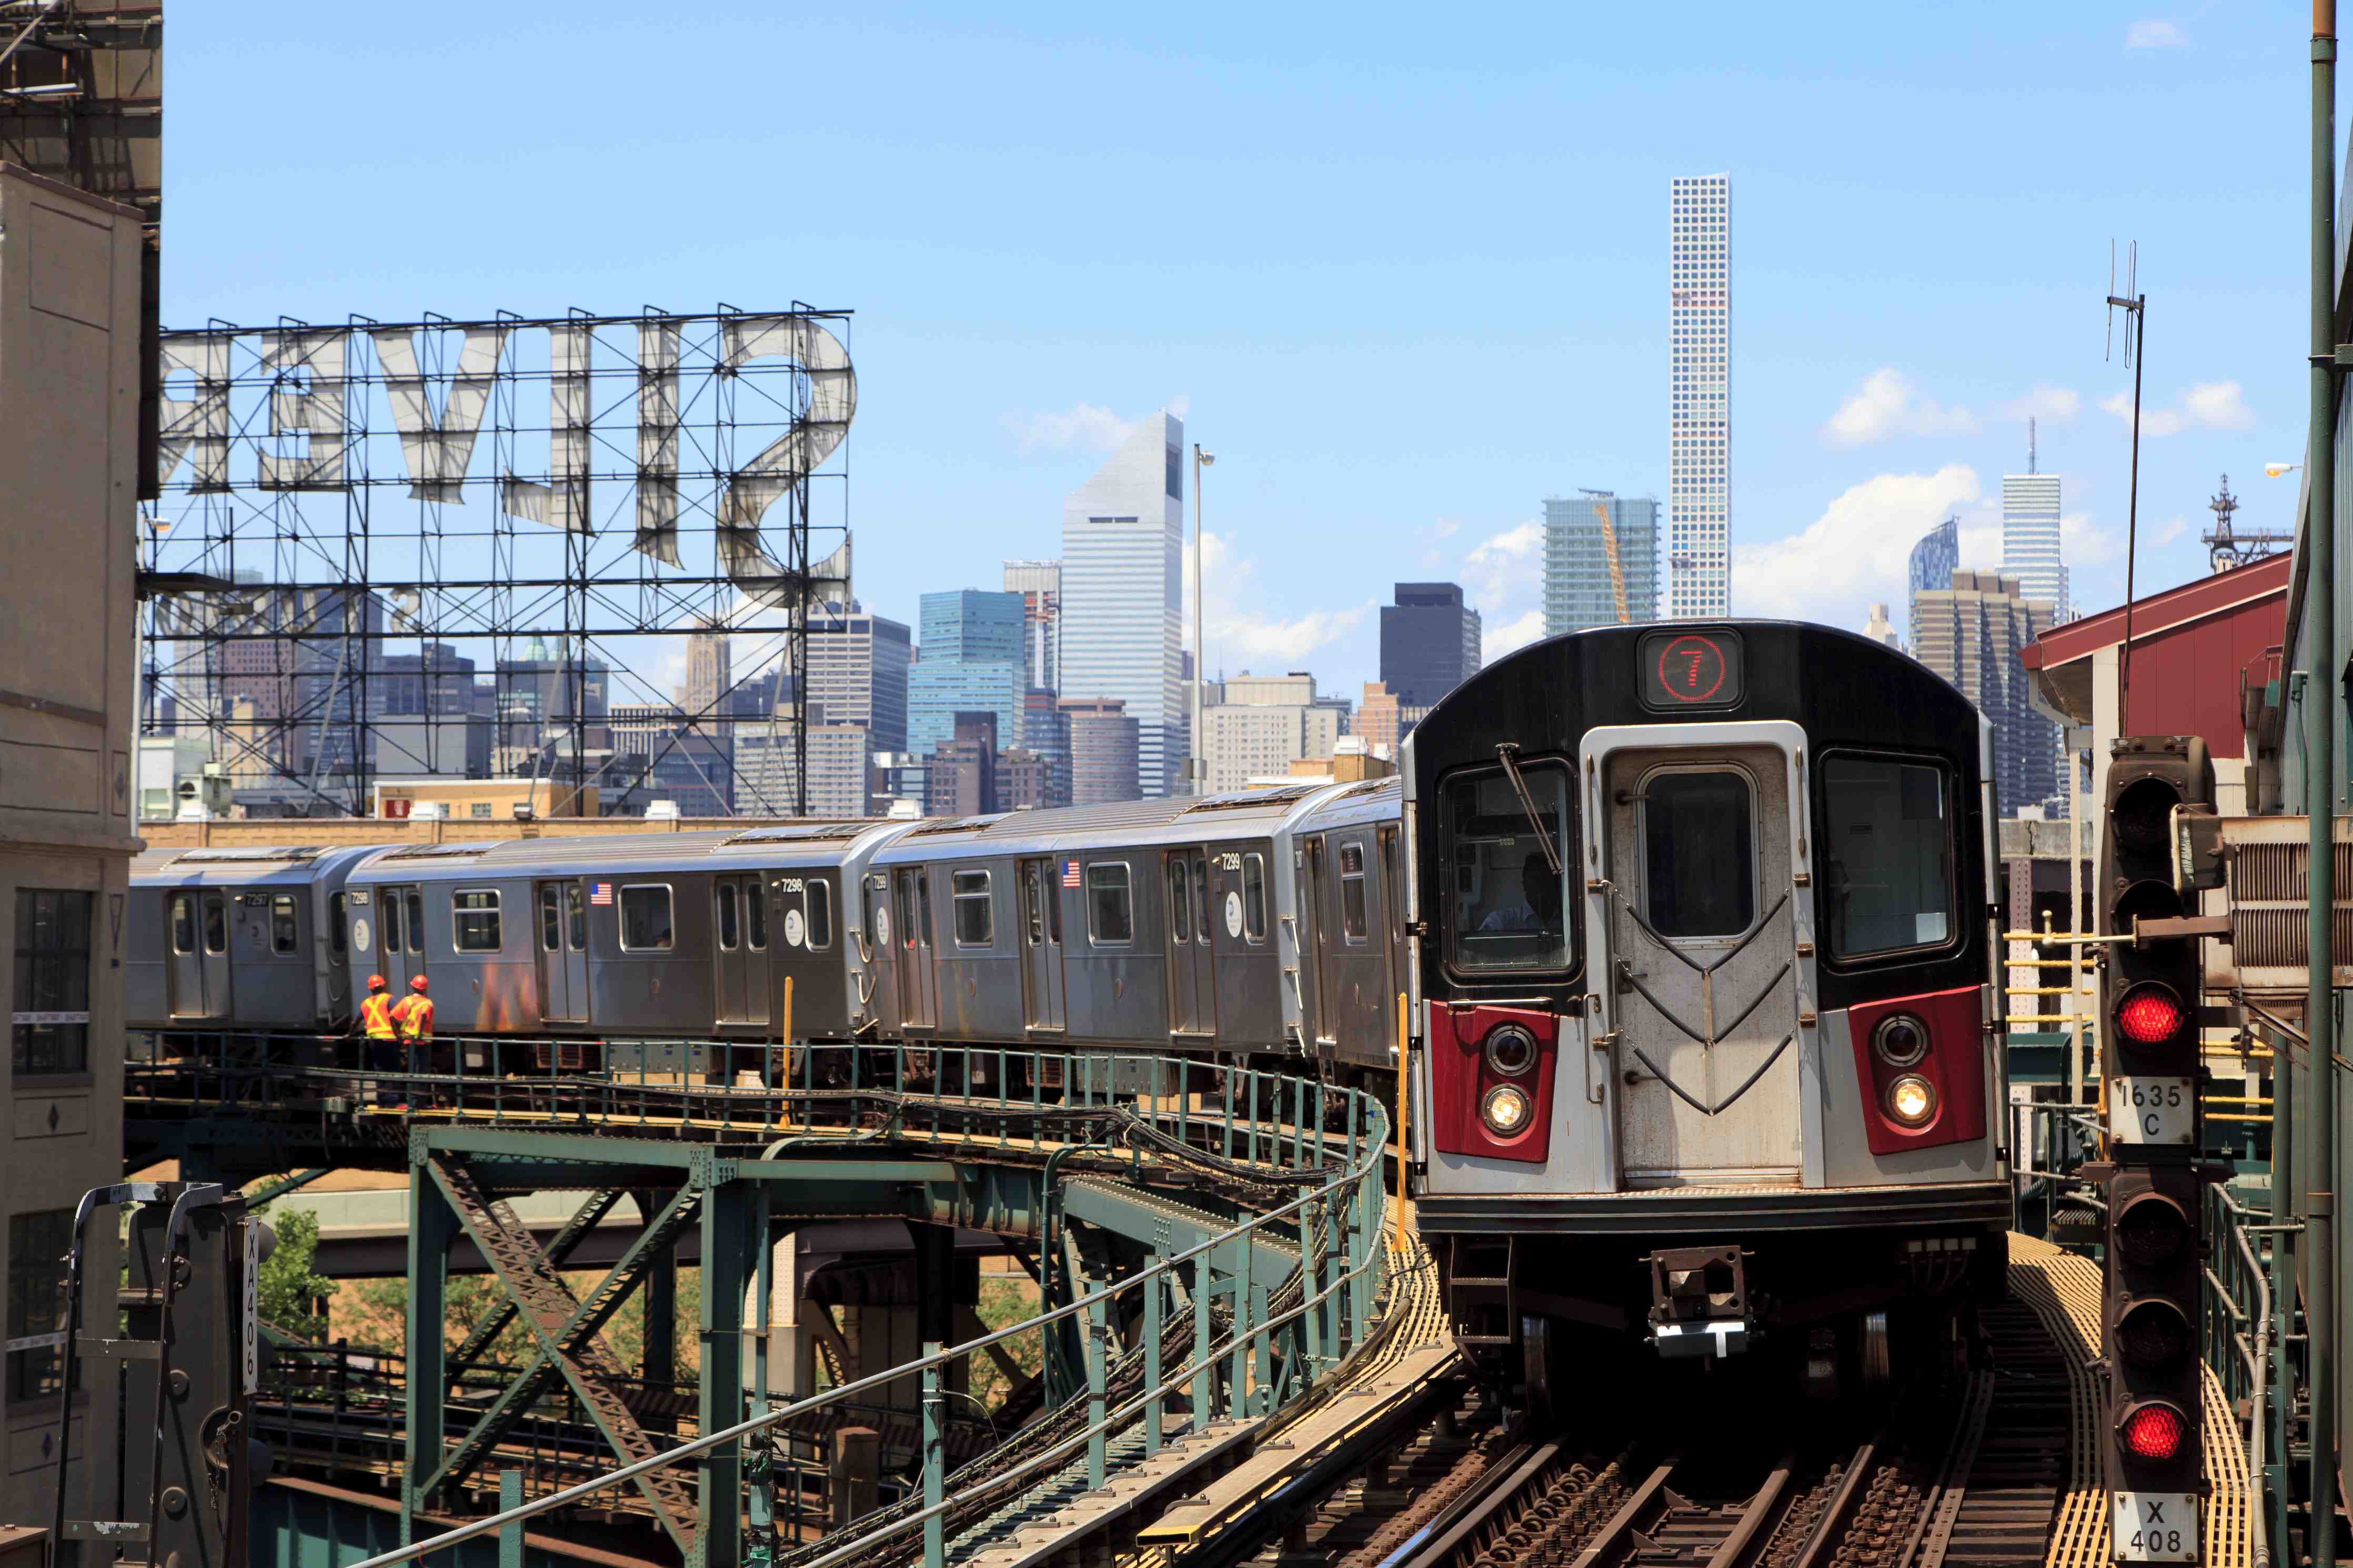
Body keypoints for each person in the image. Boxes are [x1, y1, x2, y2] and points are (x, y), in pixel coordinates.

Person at [1480, 852, 1562, 933]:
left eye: (1546, 879)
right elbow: (1480, 944)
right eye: (1535, 880)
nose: (1541, 886)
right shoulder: (1501, 921)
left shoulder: (1569, 921)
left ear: (1556, 884)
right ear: (1525, 885)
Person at [357, 975, 400, 1108]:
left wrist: (349, 1034)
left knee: (380, 1069)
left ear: (370, 989)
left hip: (374, 1041)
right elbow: (396, 1017)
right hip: (389, 1039)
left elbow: (356, 1021)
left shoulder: (366, 1003)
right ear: (383, 986)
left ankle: (382, 1101)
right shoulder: (389, 999)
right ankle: (392, 1101)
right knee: (392, 1069)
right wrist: (400, 1033)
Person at [390, 975, 435, 1104]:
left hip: (409, 1041)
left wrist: (397, 1034)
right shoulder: (428, 1003)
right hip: (423, 1042)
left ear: (413, 987)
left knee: (412, 1070)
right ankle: (419, 1101)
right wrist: (420, 1033)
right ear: (425, 989)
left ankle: (412, 1101)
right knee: (422, 1071)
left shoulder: (406, 1001)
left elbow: (392, 1016)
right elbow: (424, 1015)